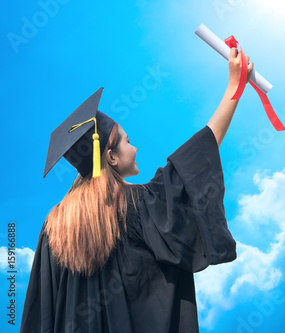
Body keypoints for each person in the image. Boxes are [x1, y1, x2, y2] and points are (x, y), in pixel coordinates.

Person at [20, 48, 254, 333]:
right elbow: (197, 156)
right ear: (111, 157)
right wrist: (234, 87)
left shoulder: (54, 228)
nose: (136, 147)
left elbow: (39, 312)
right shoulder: (140, 204)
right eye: (128, 141)